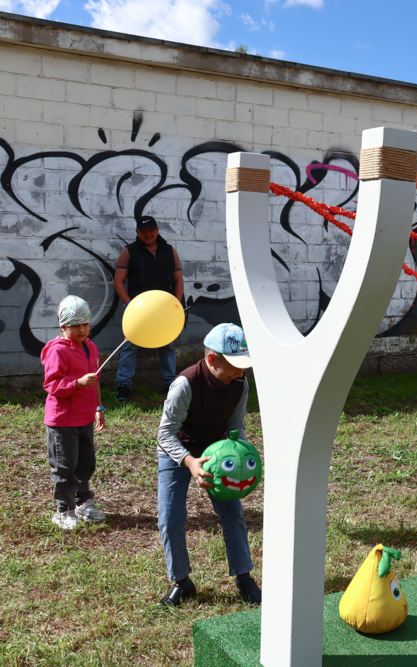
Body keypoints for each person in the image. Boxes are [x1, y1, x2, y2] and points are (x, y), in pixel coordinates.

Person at [156, 323, 260, 606]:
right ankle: (182, 581)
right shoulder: (185, 383)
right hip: (177, 451)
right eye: (235, 365)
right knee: (170, 517)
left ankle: (244, 576)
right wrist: (189, 462)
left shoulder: (240, 383)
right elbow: (164, 433)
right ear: (212, 359)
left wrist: (240, 458)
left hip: (216, 452)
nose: (242, 371)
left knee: (232, 513)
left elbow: (236, 427)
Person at [41, 296, 107, 530]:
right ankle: (63, 510)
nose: (81, 329)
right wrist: (77, 382)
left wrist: (98, 407)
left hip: (84, 418)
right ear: (63, 327)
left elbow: (95, 381)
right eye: (75, 325)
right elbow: (52, 385)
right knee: (64, 466)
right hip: (62, 421)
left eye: (85, 324)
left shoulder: (90, 347)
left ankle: (83, 503)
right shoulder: (56, 351)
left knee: (85, 463)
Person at [113, 216, 184, 401]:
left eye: (152, 230)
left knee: (167, 345)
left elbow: (178, 280)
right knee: (130, 345)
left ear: (157, 230)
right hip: (139, 310)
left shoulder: (169, 251)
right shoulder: (129, 252)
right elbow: (118, 281)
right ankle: (123, 385)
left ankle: (170, 383)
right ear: (138, 232)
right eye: (144, 231)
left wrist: (176, 304)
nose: (148, 234)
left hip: (165, 309)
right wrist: (130, 305)